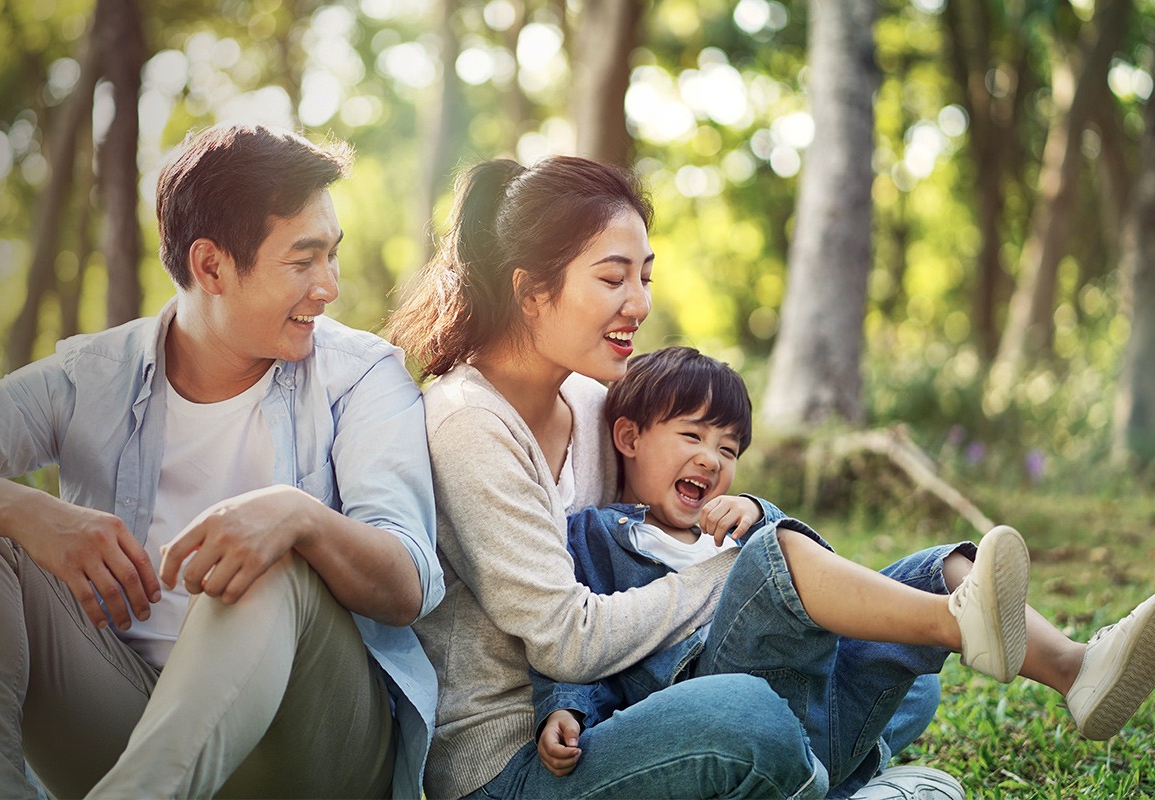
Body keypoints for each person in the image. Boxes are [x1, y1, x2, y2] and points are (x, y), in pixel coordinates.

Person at [0, 123, 443, 799]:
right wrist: (31, 514)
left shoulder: (361, 378)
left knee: (270, 554)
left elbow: (406, 582)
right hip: (128, 725)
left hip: (308, 749)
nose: (329, 286)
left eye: (331, 256)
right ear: (211, 266)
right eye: (303, 263)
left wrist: (296, 516)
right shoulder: (95, 376)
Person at [385, 155, 927, 800]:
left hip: (630, 705)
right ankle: (842, 779)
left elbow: (659, 533)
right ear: (530, 293)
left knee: (901, 668)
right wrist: (743, 571)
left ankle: (818, 767)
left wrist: (747, 522)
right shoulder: (468, 423)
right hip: (523, 763)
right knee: (748, 716)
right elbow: (568, 639)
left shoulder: (592, 403)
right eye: (613, 279)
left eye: (643, 277)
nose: (639, 304)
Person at [528, 345, 1155, 790]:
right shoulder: (600, 535)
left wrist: (757, 511)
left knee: (940, 571)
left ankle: (1076, 669)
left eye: (728, 449)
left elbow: (819, 569)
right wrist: (569, 707)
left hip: (804, 706)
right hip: (717, 704)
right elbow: (581, 638)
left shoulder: (734, 522)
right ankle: (947, 648)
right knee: (778, 558)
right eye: (692, 437)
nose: (712, 460)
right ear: (630, 438)